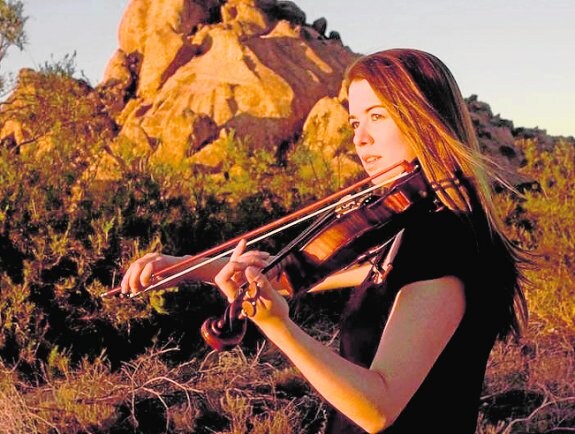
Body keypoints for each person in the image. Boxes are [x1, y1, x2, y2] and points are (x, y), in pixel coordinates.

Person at [121, 48, 530, 433]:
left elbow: (378, 407)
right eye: (356, 122)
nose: (361, 139)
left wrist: (277, 326)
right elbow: (305, 274)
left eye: (378, 116)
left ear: (425, 120)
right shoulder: (408, 233)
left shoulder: (447, 242)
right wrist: (187, 267)